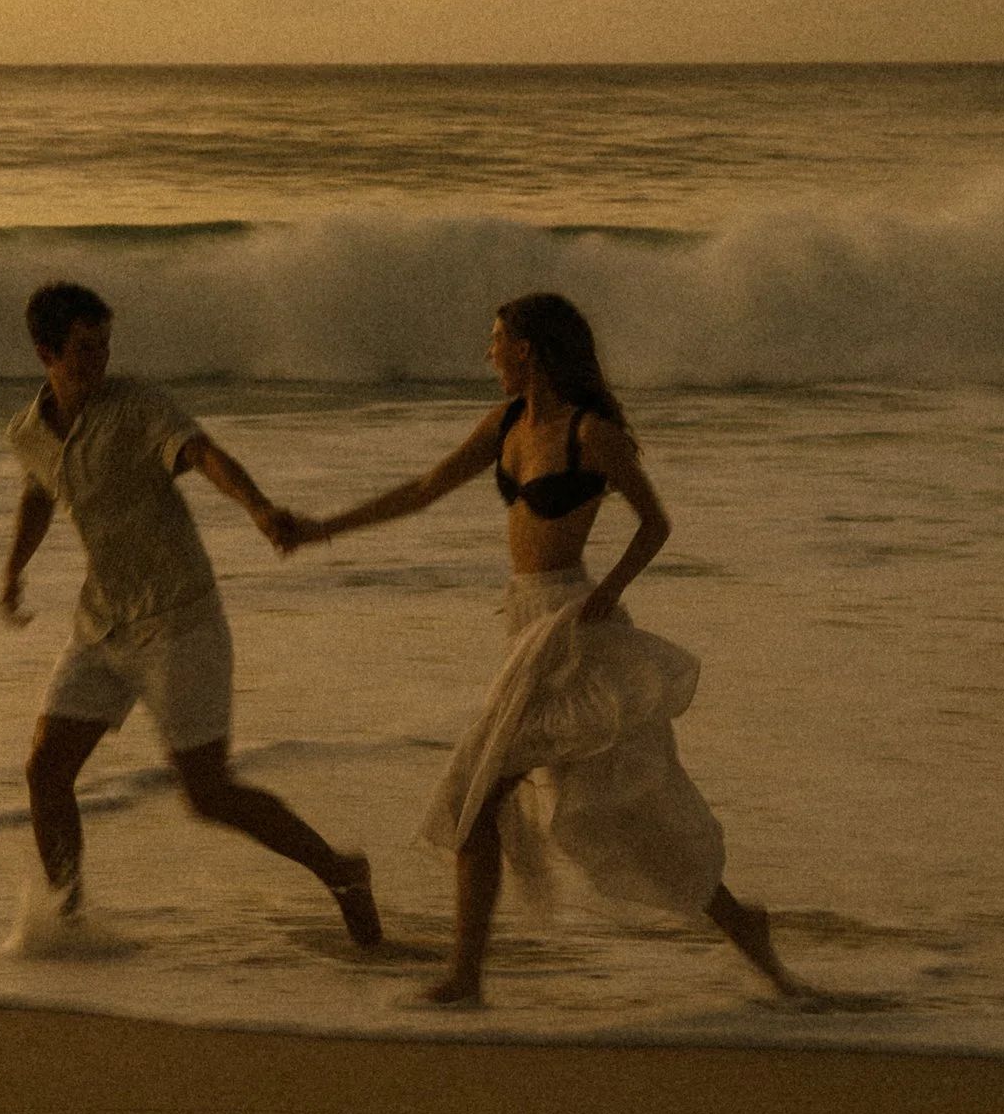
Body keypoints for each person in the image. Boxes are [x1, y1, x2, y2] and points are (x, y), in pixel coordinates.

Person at [282, 290, 804, 1009]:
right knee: (575, 805)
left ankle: (467, 979)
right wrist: (323, 528)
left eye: (496, 339)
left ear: (528, 348)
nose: (488, 352)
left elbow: (656, 523)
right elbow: (426, 487)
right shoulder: (504, 423)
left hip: (574, 631)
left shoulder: (591, 433)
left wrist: (609, 588)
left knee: (506, 797)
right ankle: (740, 924)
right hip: (524, 624)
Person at [2, 279, 381, 947]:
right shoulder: (29, 431)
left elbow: (203, 454)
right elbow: (38, 491)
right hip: (101, 622)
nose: (99, 361)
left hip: (180, 619)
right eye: (84, 350)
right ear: (45, 354)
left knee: (207, 793)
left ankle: (340, 869)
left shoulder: (139, 405)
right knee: (45, 768)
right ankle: (66, 916)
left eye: (104, 347)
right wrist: (14, 568)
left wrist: (261, 507)